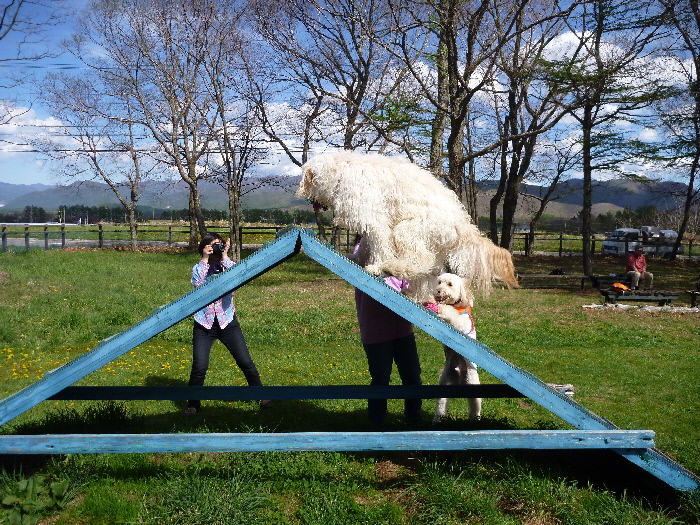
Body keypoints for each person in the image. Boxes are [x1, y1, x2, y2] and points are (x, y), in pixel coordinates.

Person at [185, 233, 270, 415]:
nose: (215, 248)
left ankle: (261, 396)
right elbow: (198, 284)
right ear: (204, 247)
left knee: (245, 361)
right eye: (211, 245)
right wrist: (205, 258)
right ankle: (193, 404)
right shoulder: (199, 267)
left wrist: (224, 256)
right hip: (204, 324)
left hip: (227, 321)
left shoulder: (227, 266)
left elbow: (237, 278)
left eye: (218, 245)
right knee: (199, 366)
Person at [354, 276, 423, 425]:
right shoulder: (364, 254)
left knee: (412, 375)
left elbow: (409, 282)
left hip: (403, 329)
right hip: (376, 329)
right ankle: (377, 421)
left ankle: (414, 418)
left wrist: (413, 290)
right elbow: (371, 285)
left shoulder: (402, 256)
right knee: (380, 378)